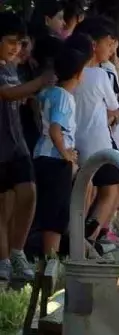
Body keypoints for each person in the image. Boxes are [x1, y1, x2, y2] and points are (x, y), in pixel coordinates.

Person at [0, 13, 48, 283]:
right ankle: (4, 260)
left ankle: (16, 252)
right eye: (10, 42)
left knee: (28, 193)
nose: (15, 48)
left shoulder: (12, 66)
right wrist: (40, 82)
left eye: (19, 43)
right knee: (3, 207)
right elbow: (7, 93)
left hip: (17, 145)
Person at [70, 17, 119, 251]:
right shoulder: (103, 75)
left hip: (71, 143)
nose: (111, 50)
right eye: (108, 44)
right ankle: (88, 240)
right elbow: (115, 107)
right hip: (99, 143)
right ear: (94, 45)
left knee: (83, 192)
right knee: (111, 188)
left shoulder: (69, 72)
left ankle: (75, 239)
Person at [29, 42, 85, 259]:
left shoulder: (48, 92)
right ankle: (50, 259)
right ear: (78, 74)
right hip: (55, 160)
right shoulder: (65, 97)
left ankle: (44, 257)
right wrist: (67, 155)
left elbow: (36, 109)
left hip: (41, 155)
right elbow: (55, 130)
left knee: (44, 208)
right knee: (56, 211)